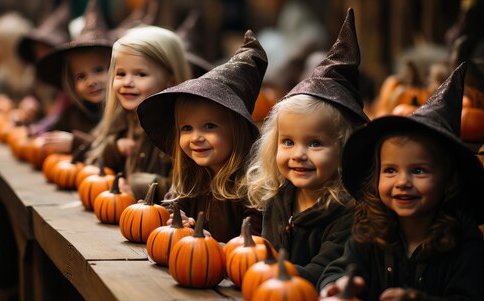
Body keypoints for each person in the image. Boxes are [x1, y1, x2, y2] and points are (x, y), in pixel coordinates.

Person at [319, 62, 484, 301]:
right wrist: (337, 285)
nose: (403, 183)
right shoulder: (371, 232)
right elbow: (336, 269)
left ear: (449, 181)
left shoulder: (464, 244)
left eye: (418, 171)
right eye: (391, 170)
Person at [245, 9, 369, 285]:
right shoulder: (279, 195)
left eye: (315, 143)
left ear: (346, 148)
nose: (299, 154)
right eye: (288, 142)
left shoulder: (349, 213)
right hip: (269, 299)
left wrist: (259, 269)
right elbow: (268, 248)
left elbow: (321, 272)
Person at [138, 30, 266, 242]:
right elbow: (172, 207)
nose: (196, 137)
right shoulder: (190, 178)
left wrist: (213, 245)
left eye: (209, 126)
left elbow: (253, 243)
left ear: (238, 131)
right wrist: (176, 219)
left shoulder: (253, 187)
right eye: (186, 128)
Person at [85, 25, 192, 200]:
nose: (127, 82)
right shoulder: (122, 118)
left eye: (140, 74)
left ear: (170, 81)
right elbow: (93, 158)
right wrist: (114, 148)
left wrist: (136, 184)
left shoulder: (178, 130)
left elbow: (186, 189)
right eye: (120, 74)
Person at [29, 0, 113, 153]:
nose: (91, 82)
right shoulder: (73, 114)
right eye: (81, 77)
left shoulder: (120, 118)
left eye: (99, 70)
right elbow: (50, 128)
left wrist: (75, 143)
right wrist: (37, 132)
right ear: (70, 83)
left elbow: (116, 152)